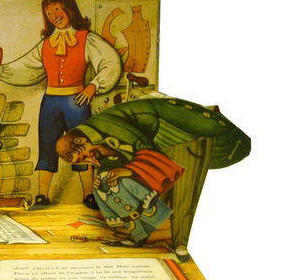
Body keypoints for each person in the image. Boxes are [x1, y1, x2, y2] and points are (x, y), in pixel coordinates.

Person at [0, 0, 121, 209]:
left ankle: (89, 195)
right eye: (49, 13)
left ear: (69, 8)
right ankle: (42, 196)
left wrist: (93, 86)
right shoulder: (46, 44)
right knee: (47, 146)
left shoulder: (86, 39)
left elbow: (111, 62)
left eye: (57, 10)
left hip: (77, 102)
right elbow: (26, 68)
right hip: (51, 102)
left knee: (82, 147)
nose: (54, 16)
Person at [56, 97, 251, 245]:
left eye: (84, 156)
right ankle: (136, 229)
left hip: (223, 141)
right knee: (107, 184)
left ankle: (163, 232)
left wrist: (127, 170)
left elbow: (145, 151)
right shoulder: (95, 137)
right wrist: (104, 177)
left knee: (131, 181)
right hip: (171, 135)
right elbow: (113, 159)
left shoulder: (109, 126)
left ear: (81, 140)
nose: (91, 161)